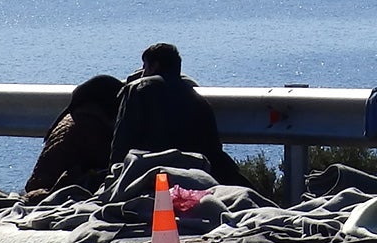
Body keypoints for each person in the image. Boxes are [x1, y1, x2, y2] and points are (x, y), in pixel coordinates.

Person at [107, 43, 246, 187]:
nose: (142, 72)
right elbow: (214, 150)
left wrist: (112, 180)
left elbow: (122, 141)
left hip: (153, 177)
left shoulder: (138, 90)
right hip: (196, 178)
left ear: (155, 66)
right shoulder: (198, 100)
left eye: (145, 66)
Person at [23, 74, 123, 199]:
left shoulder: (71, 118)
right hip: (53, 192)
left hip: (39, 186)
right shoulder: (91, 127)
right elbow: (112, 163)